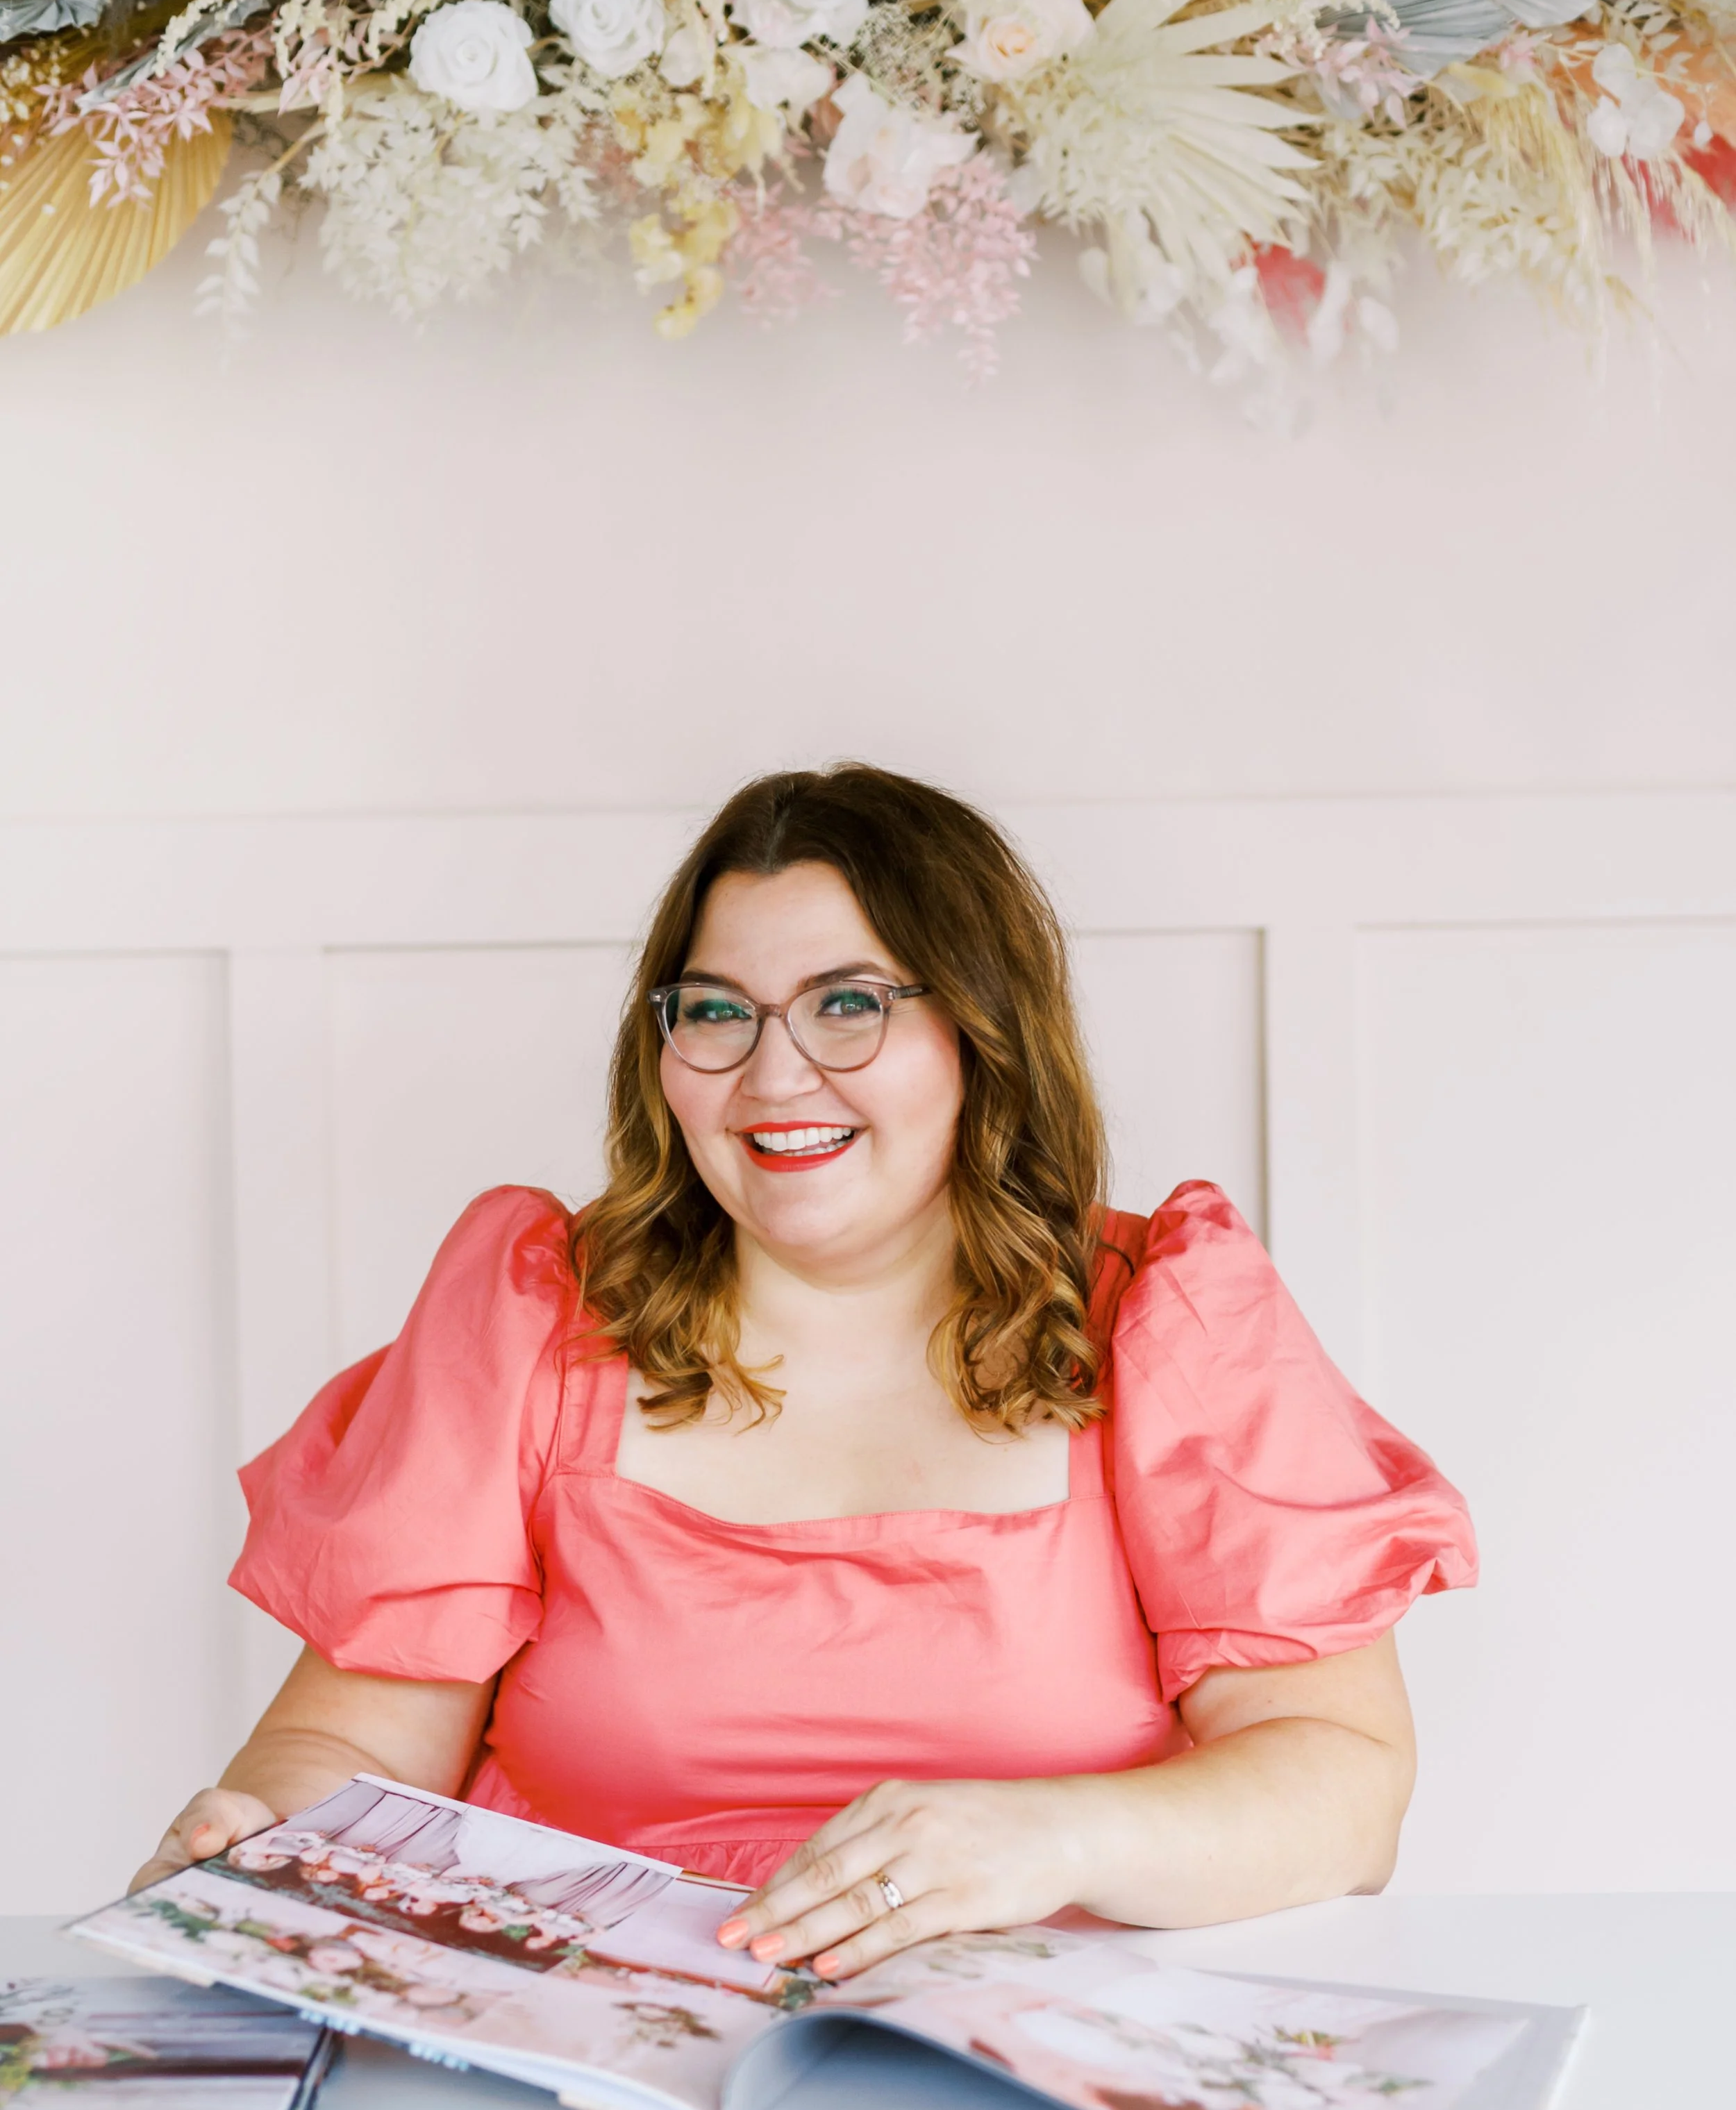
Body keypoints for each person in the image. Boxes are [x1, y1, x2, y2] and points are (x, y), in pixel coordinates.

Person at [135, 767, 1475, 1982]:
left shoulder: (1165, 1320)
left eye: (849, 1004)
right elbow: (357, 1750)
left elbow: (1346, 1790)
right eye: (717, 1010)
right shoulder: (531, 1317)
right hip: (589, 2061)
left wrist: (1054, 1837)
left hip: (1050, 2072)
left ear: (981, 1031)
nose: (774, 1075)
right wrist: (259, 1839)